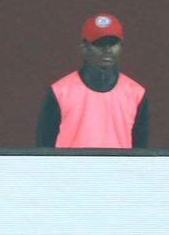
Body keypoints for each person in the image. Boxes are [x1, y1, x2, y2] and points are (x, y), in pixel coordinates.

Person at [36, 13, 149, 148]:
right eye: (99, 43)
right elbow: (43, 149)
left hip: (119, 163)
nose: (107, 49)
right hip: (70, 163)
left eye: (113, 43)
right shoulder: (59, 92)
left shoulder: (136, 93)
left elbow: (141, 151)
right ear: (84, 48)